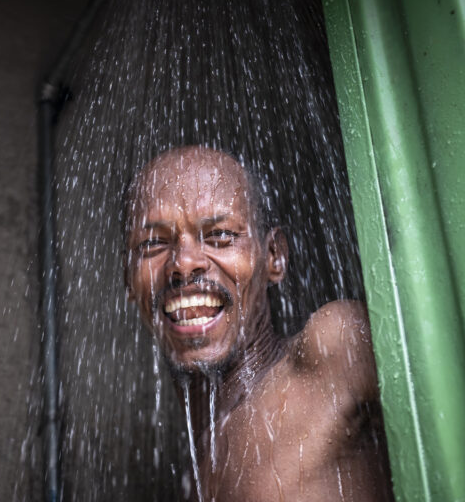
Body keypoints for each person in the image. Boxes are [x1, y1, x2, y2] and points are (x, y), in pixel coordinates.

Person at [124, 146, 393, 501]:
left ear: (273, 257)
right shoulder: (196, 473)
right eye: (154, 243)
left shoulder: (333, 351)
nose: (184, 262)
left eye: (220, 235)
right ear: (129, 281)